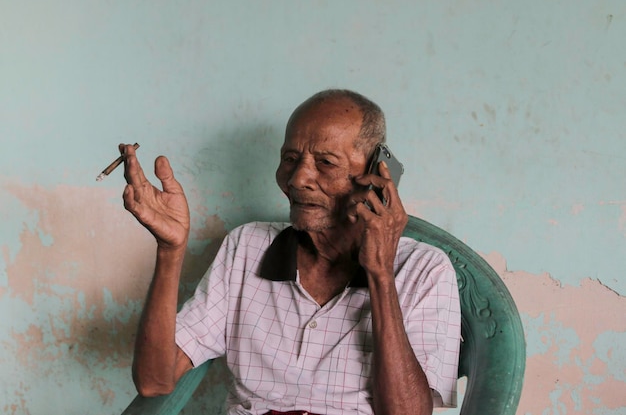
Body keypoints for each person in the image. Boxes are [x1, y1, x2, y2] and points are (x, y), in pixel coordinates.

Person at [121, 89, 461, 415]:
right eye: (290, 159)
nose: (298, 179)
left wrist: (381, 274)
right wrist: (170, 249)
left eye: (325, 162)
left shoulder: (425, 270)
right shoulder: (246, 247)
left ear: (376, 174)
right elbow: (154, 380)